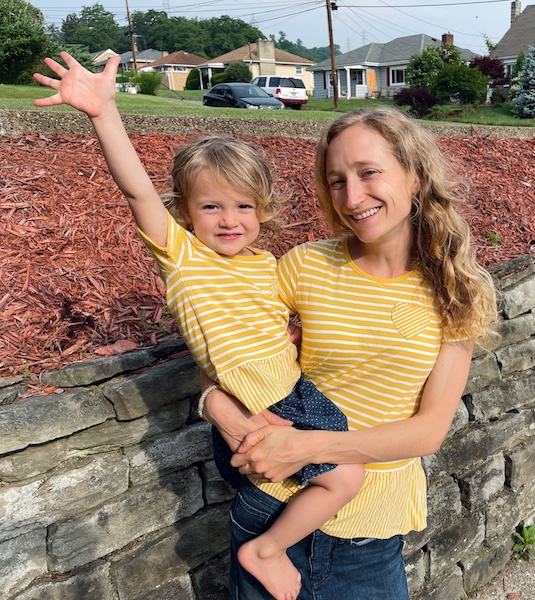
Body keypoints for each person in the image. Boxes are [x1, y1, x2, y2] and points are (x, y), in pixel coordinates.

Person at [32, 52, 365, 600]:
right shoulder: (184, 257)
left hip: (294, 393)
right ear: (186, 213)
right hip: (262, 403)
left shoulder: (266, 264)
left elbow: (273, 323)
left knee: (345, 470)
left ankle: (278, 545)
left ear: (262, 210)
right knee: (346, 477)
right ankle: (266, 551)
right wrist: (103, 114)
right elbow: (137, 190)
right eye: (211, 207)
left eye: (243, 206)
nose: (229, 220)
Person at [202, 106, 498, 599]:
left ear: (416, 177)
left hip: (367, 539)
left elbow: (428, 431)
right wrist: (219, 409)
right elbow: (223, 349)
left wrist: (306, 447)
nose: (352, 197)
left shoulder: (456, 290)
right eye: (337, 181)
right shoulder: (305, 266)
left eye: (369, 173)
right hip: (269, 510)